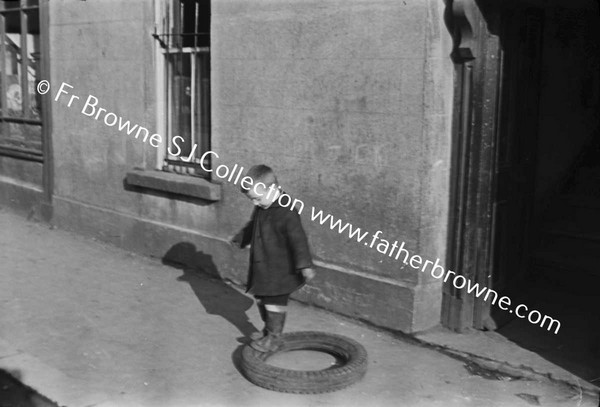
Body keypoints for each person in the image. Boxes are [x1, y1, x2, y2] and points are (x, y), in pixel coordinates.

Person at [230, 164, 315, 352]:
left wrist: (305, 265)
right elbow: (253, 225)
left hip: (281, 270)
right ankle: (268, 331)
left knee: (274, 303)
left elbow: (298, 239)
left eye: (257, 198)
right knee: (263, 300)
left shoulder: (287, 211)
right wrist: (241, 238)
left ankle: (274, 338)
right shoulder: (262, 205)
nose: (255, 203)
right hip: (264, 266)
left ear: (273, 189)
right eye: (252, 199)